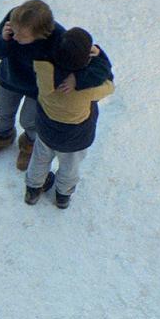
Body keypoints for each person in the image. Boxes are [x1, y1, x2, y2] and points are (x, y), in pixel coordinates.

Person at [0, 0, 113, 170]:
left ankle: (29, 144)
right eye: (14, 32)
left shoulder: (59, 39)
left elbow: (95, 68)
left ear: (40, 34)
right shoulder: (15, 21)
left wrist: (77, 79)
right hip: (9, 79)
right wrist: (3, 41)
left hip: (38, 90)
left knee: (29, 121)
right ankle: (1, 136)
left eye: (22, 35)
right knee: (3, 112)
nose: (16, 37)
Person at [25, 27, 114, 209]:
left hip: (46, 130)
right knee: (69, 167)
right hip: (75, 139)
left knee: (40, 158)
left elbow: (42, 50)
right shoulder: (88, 89)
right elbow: (109, 83)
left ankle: (33, 189)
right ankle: (63, 196)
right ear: (87, 60)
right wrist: (99, 57)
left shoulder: (43, 70)